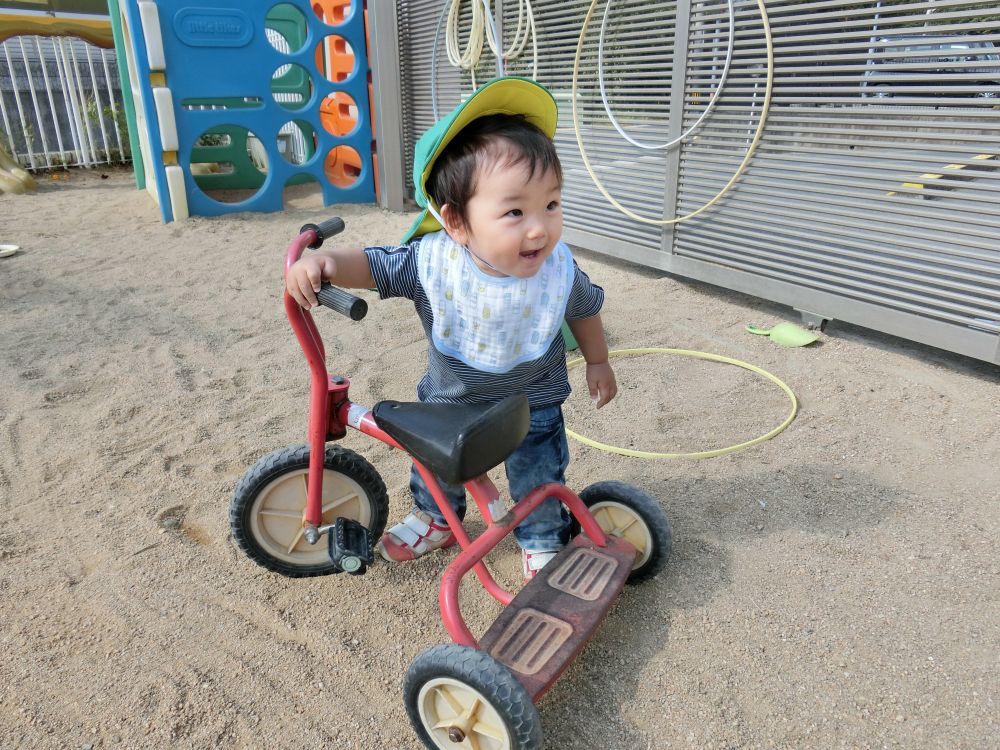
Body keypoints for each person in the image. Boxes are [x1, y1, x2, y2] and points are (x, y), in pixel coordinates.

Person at [286, 76, 617, 579]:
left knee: (538, 474)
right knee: (435, 469)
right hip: (451, 402)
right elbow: (374, 265)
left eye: (551, 204)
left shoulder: (556, 268)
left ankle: (543, 538)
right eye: (514, 211)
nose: (540, 227)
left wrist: (598, 360)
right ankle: (437, 519)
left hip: (535, 402)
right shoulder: (434, 264)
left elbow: (584, 308)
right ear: (457, 224)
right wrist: (326, 263)